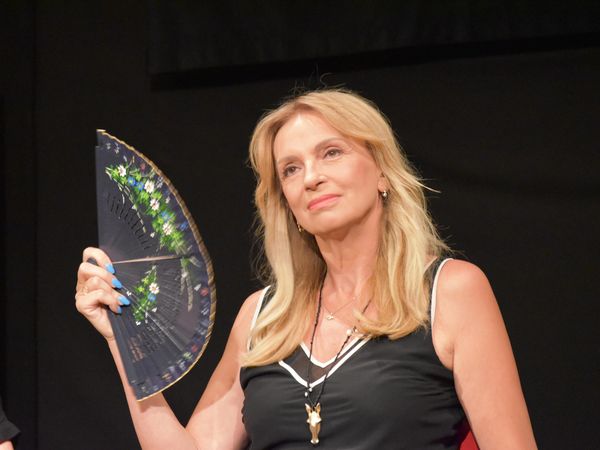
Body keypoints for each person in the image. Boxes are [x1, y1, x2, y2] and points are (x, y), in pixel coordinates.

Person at [75, 89, 537, 449]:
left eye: (331, 152)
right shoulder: (262, 317)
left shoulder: (450, 292)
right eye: (291, 169)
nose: (311, 177)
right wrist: (123, 339)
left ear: (382, 172)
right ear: (287, 203)